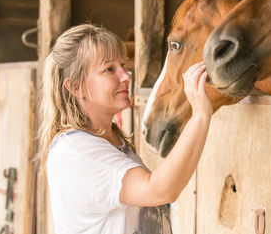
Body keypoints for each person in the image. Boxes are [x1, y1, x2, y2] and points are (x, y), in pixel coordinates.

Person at [38, 24, 213, 234]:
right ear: (75, 86)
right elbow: (159, 189)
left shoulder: (108, 143)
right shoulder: (77, 150)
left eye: (122, 64)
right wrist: (200, 115)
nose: (126, 75)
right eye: (109, 69)